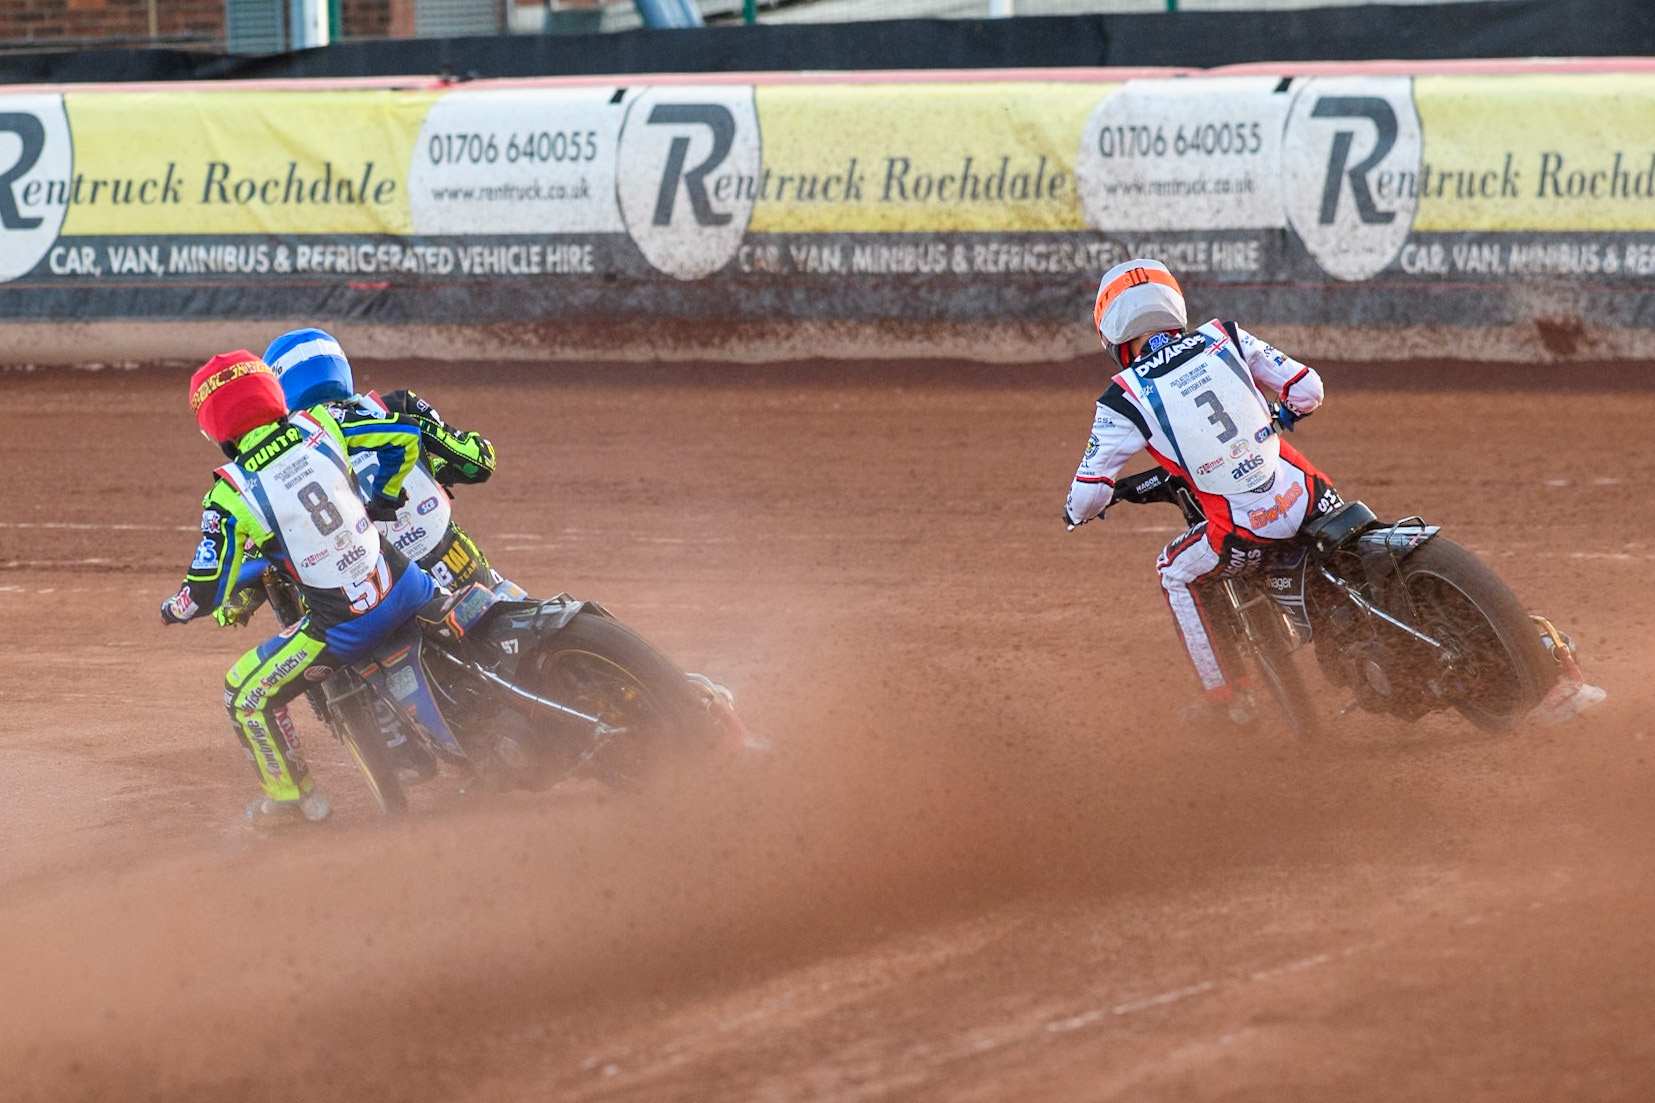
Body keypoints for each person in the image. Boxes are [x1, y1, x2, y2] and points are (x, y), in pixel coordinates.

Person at [161, 351, 434, 827]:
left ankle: (291, 801)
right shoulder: (318, 425)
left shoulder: (230, 490)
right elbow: (403, 437)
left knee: (244, 694)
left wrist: (175, 608)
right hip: (408, 584)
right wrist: (383, 497)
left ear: (217, 429)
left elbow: (208, 587)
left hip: (345, 628)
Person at [1064, 259, 1336, 725]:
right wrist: (1282, 417)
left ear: (1111, 333)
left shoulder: (1122, 396)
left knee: (1174, 571)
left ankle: (1227, 701)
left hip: (1243, 532)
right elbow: (1307, 389)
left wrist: (1075, 512)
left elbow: (1088, 495)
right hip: (1311, 496)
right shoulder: (1223, 335)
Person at [260, 328, 517, 597]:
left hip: (379, 593)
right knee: (512, 609)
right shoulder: (396, 407)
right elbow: (478, 461)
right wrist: (430, 470)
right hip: (457, 564)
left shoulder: (287, 455)